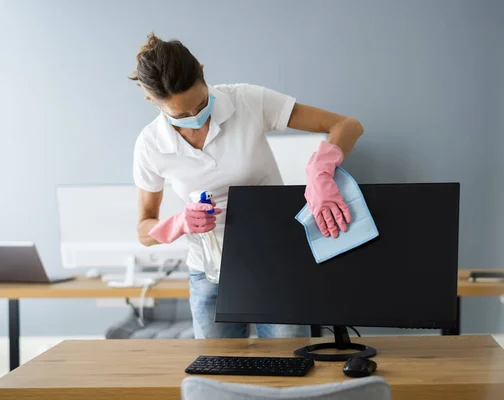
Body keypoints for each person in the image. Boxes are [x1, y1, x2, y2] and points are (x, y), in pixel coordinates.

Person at [131, 33, 364, 339]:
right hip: (209, 274)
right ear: (151, 101)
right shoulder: (150, 146)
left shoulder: (246, 101)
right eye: (181, 115)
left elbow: (347, 125)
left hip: (277, 263)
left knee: (290, 366)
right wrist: (178, 224)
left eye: (200, 104)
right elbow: (144, 231)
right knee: (218, 374)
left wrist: (321, 169)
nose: (196, 118)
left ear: (202, 70)